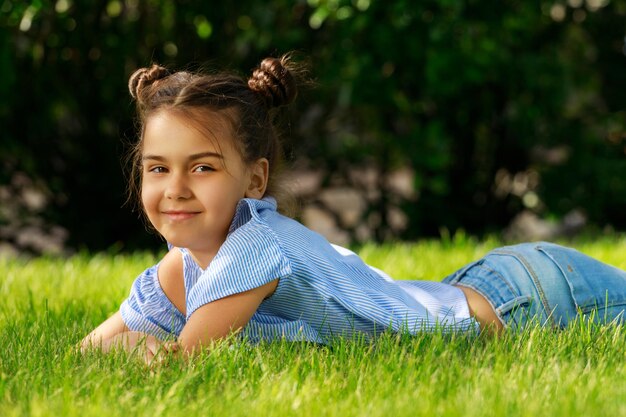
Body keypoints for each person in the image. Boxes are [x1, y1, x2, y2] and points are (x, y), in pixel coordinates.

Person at [81, 55, 626, 362]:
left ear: (254, 179)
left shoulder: (252, 249)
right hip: (482, 287)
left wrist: (139, 350)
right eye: (158, 168)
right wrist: (121, 344)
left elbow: (181, 362)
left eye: (202, 167)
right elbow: (87, 351)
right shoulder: (184, 266)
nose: (175, 188)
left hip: (532, 305)